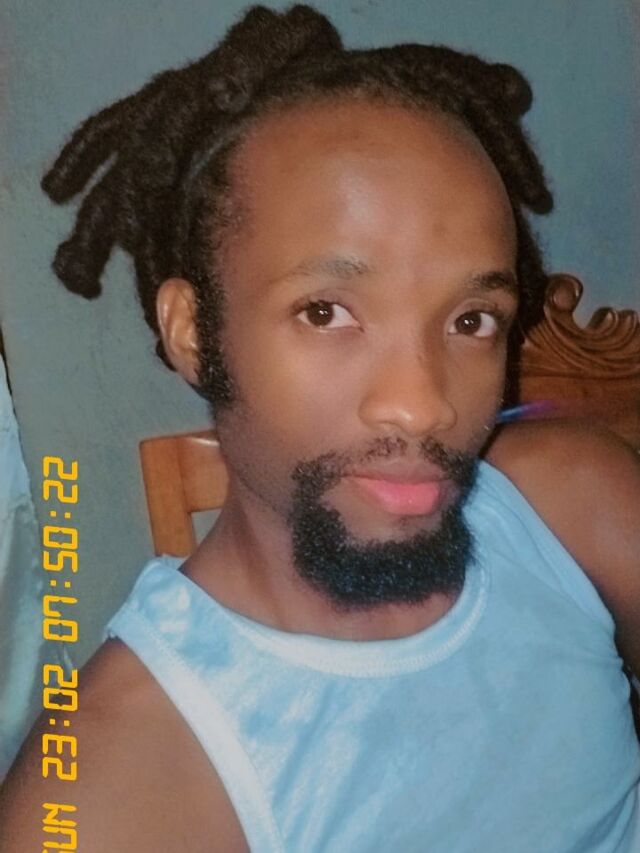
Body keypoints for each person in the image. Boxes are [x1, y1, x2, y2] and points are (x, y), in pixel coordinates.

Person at [1, 5, 639, 851]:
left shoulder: (575, 502)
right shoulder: (109, 793)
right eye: (327, 311)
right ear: (193, 332)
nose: (423, 404)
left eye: (471, 319)